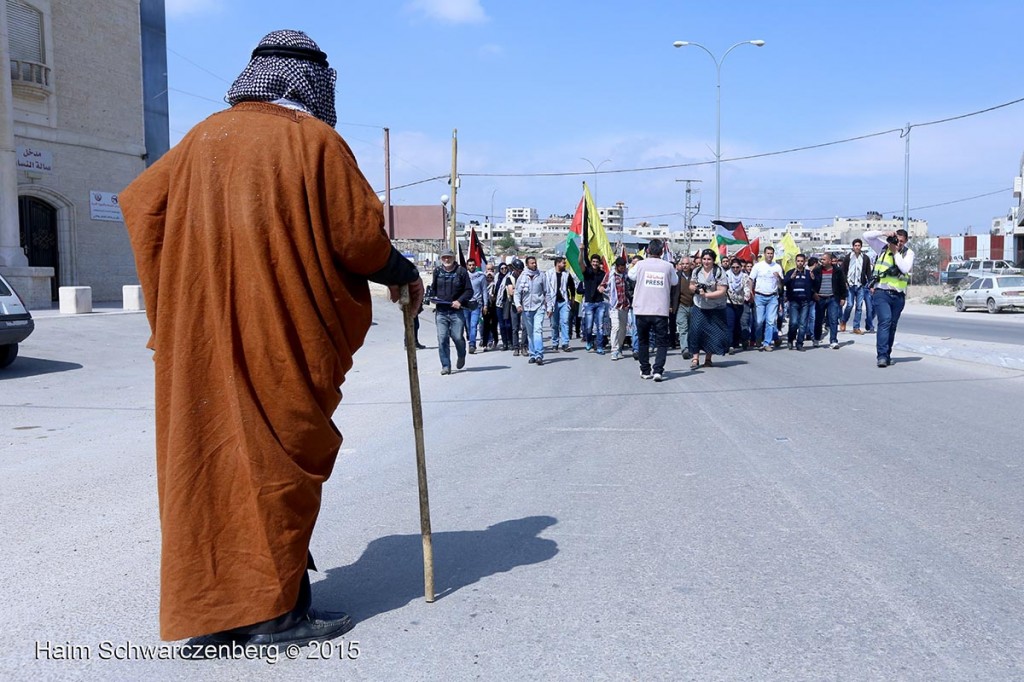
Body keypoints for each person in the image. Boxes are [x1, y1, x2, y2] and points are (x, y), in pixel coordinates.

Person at [119, 30, 424, 648]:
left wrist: (175, 308)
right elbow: (358, 239)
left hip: (201, 344)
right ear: (306, 82)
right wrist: (402, 272)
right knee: (272, 470)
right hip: (279, 343)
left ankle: (233, 609)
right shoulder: (314, 141)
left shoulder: (200, 138)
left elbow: (141, 206)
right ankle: (273, 617)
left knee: (213, 468)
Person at [628, 240, 679, 381]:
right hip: (660, 310)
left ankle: (645, 370)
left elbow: (630, 275)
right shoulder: (668, 266)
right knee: (661, 343)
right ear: (662, 252)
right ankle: (658, 371)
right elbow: (675, 282)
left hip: (642, 310)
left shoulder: (640, 264)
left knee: (643, 342)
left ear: (648, 251)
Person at [865, 228, 914, 367]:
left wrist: (895, 252)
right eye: (896, 240)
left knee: (892, 326)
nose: (898, 243)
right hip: (882, 292)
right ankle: (881, 356)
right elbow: (866, 236)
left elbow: (904, 268)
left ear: (906, 241)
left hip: (898, 295)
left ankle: (887, 355)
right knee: (885, 321)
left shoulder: (908, 253)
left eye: (902, 242)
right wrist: (883, 233)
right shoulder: (882, 247)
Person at [431, 248, 471, 374]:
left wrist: (459, 301)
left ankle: (461, 354)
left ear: (454, 258)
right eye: (444, 257)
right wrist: (431, 298)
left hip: (456, 312)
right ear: (441, 259)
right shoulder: (437, 271)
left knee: (457, 337)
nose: (447, 259)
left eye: (449, 257)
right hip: (441, 312)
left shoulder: (461, 271)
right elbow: (433, 289)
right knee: (442, 339)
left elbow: (469, 290)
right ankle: (446, 365)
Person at [687, 249, 730, 368]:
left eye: (709, 259)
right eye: (704, 259)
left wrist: (706, 295)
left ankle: (708, 359)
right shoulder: (697, 270)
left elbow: (722, 291)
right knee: (695, 331)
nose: (706, 262)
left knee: (712, 333)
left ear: (713, 260)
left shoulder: (719, 271)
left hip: (716, 307)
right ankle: (695, 358)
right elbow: (691, 285)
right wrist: (696, 289)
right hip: (699, 306)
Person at [515, 256, 548, 365]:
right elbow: (517, 293)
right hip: (526, 309)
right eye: (532, 263)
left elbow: (547, 292)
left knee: (537, 330)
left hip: (539, 307)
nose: (534, 264)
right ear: (527, 265)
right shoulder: (522, 277)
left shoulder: (541, 275)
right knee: (530, 333)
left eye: (535, 262)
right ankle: (532, 354)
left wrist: (550, 306)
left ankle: (539, 354)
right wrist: (518, 305)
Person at [749, 246, 783, 352]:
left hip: (772, 297)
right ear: (764, 254)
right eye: (768, 253)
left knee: (770, 321)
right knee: (759, 321)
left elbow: (781, 285)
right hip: (759, 296)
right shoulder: (758, 266)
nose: (770, 255)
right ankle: (758, 339)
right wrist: (750, 293)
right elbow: (751, 280)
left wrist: (778, 278)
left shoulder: (777, 267)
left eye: (771, 253)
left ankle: (767, 343)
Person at [811, 252, 847, 350]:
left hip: (833, 298)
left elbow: (842, 285)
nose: (821, 261)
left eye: (824, 259)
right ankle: (817, 339)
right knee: (818, 320)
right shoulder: (817, 270)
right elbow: (812, 284)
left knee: (833, 320)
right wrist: (814, 293)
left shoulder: (838, 271)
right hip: (820, 298)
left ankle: (834, 341)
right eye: (821, 259)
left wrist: (843, 298)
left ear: (830, 261)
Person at [841, 238, 874, 335]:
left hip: (860, 285)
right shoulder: (848, 257)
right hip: (850, 285)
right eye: (855, 246)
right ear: (853, 247)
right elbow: (843, 271)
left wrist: (871, 285)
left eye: (859, 246)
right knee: (850, 305)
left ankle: (856, 327)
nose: (857, 247)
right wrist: (845, 282)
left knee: (859, 307)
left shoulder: (865, 258)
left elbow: (868, 272)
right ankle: (843, 320)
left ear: (861, 247)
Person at [783, 253, 814, 350]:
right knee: (793, 323)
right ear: (795, 262)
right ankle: (790, 339)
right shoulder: (791, 272)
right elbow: (784, 282)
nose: (800, 263)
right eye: (798, 261)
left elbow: (815, 284)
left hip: (805, 301)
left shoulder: (808, 274)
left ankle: (799, 343)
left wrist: (814, 279)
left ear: (804, 262)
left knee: (803, 324)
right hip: (794, 301)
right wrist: (790, 278)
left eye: (802, 261)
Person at [544, 256, 576, 352]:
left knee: (565, 322)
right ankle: (555, 343)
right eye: (563, 263)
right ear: (558, 264)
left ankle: (565, 343)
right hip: (553, 303)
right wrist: (547, 304)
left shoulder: (566, 274)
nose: (565, 264)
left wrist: (572, 299)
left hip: (564, 302)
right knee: (554, 324)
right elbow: (546, 290)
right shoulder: (548, 274)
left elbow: (572, 286)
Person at [580, 254, 608, 354]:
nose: (595, 263)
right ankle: (589, 341)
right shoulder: (587, 272)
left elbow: (606, 285)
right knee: (589, 326)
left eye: (597, 262)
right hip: (589, 303)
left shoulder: (602, 274)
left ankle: (600, 347)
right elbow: (580, 263)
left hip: (600, 303)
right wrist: (582, 251)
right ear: (591, 262)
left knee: (600, 326)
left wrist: (603, 288)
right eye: (593, 262)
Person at [607, 256, 632, 360]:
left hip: (625, 306)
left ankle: (619, 347)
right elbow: (603, 285)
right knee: (615, 327)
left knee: (622, 329)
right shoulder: (611, 275)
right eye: (621, 267)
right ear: (617, 267)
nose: (623, 269)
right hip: (614, 306)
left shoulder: (627, 276)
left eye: (624, 267)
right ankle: (614, 350)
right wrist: (602, 288)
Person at [723, 257, 750, 353]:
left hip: (740, 303)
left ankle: (737, 342)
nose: (735, 269)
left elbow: (747, 287)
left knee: (738, 323)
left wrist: (747, 295)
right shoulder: (726, 275)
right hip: (729, 302)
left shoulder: (744, 276)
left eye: (737, 267)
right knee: (730, 323)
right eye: (733, 267)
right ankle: (729, 345)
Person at [672, 255, 695, 359]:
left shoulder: (695, 276)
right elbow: (671, 292)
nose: (685, 266)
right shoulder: (676, 276)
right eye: (683, 264)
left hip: (694, 305)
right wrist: (671, 305)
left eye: (687, 264)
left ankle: (691, 347)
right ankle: (684, 349)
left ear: (691, 265)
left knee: (692, 328)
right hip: (681, 305)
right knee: (683, 327)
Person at [463, 258, 487, 353]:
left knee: (473, 325)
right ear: (467, 266)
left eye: (473, 265)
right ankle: (470, 338)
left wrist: (485, 304)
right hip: (465, 304)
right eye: (470, 265)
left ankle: (472, 344)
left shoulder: (481, 277)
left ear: (476, 266)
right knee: (468, 325)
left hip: (476, 304)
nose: (471, 266)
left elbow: (484, 291)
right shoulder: (464, 276)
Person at [494, 262, 513, 350]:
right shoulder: (497, 278)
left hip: (507, 302)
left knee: (508, 324)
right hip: (498, 303)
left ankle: (510, 342)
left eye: (505, 268)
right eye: (502, 268)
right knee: (501, 325)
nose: (504, 270)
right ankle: (505, 343)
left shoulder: (510, 277)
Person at [481, 264, 499, 350]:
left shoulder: (495, 285)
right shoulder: (483, 286)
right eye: (487, 278)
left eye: (490, 278)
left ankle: (495, 341)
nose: (489, 279)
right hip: (485, 307)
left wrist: (493, 297)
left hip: (494, 307)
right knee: (485, 326)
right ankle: (485, 343)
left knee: (494, 326)